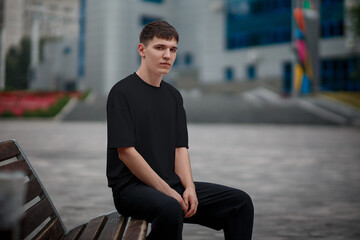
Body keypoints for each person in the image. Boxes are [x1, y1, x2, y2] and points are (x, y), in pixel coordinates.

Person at [106, 20, 254, 240]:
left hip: (171, 184)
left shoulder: (173, 96)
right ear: (142, 50)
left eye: (172, 49)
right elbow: (126, 152)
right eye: (160, 48)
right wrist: (168, 192)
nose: (167, 55)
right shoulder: (121, 93)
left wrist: (190, 188)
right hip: (131, 189)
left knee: (240, 202)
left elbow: (180, 149)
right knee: (170, 208)